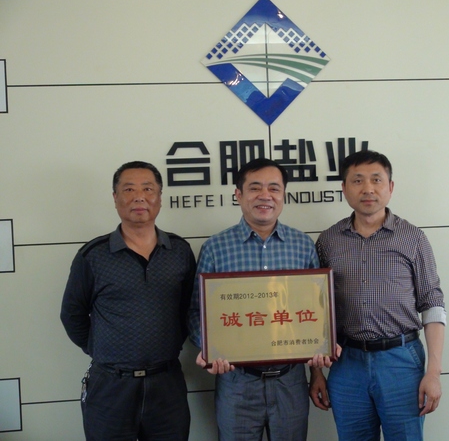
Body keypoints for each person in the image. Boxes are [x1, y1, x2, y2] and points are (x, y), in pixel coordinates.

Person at [188, 158, 336, 441]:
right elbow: (196, 311)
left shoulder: (302, 245)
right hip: (236, 381)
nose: (265, 195)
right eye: (255, 188)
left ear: (283, 195)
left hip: (290, 381)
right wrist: (210, 348)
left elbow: (317, 314)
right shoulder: (215, 248)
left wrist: (317, 370)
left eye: (274, 188)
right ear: (238, 194)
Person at [309, 150, 446, 441]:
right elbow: (316, 310)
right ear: (344, 188)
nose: (368, 188)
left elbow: (432, 304)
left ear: (390, 187)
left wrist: (433, 372)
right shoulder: (329, 241)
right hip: (346, 363)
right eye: (357, 180)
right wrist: (316, 373)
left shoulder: (413, 238)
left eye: (376, 180)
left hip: (401, 360)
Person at [60, 161, 195, 441]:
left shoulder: (179, 251)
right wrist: (102, 349)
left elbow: (190, 309)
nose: (139, 197)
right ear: (115, 198)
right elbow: (72, 314)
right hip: (111, 386)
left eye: (148, 189)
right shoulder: (93, 255)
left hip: (167, 383)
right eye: (129, 189)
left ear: (160, 197)